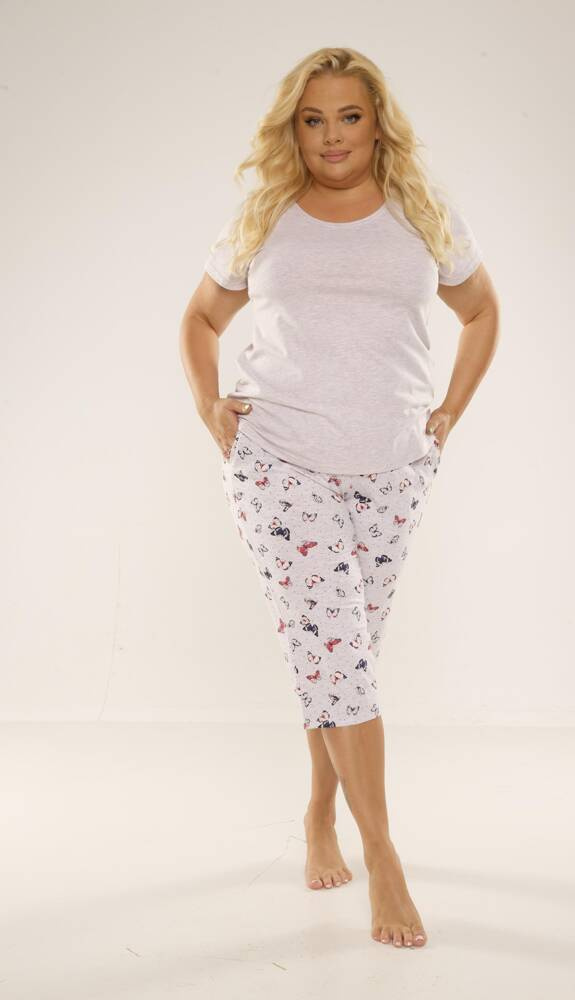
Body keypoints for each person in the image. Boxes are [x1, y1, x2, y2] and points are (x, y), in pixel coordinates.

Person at [179, 46, 500, 951]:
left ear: (376, 122)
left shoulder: (423, 214)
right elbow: (200, 317)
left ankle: (319, 808)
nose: (331, 136)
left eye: (348, 116)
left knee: (342, 654)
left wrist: (447, 412)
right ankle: (382, 854)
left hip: (392, 466)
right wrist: (210, 404)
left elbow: (481, 311)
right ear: (293, 128)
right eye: (313, 119)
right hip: (278, 461)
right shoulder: (265, 215)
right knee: (337, 655)